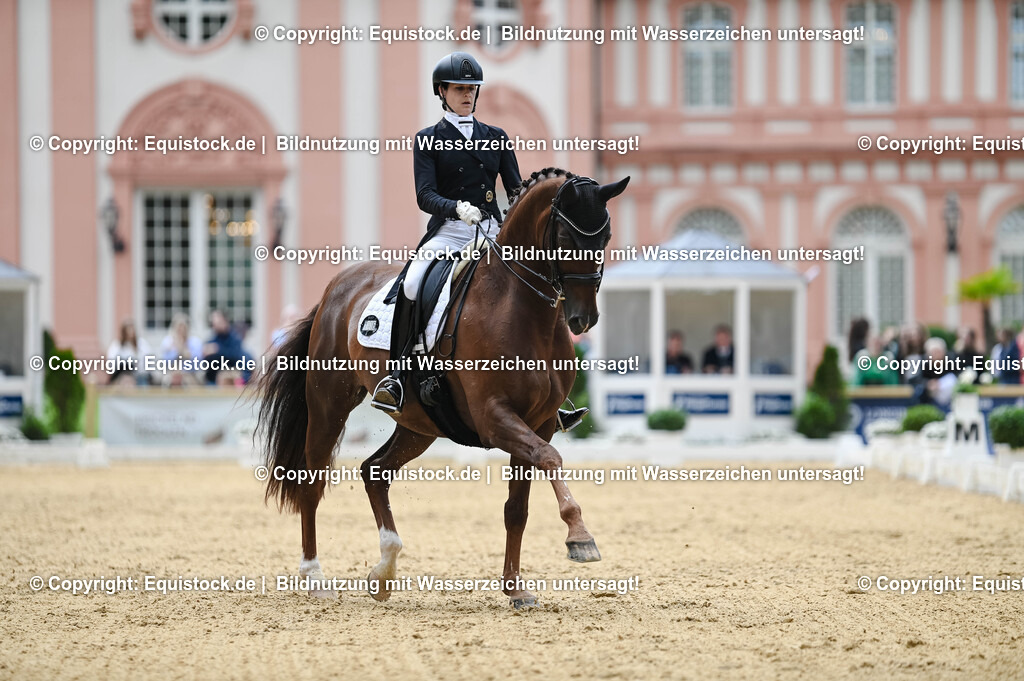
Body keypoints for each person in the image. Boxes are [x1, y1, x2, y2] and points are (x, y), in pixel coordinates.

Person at [202, 309, 249, 385]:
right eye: (214, 323)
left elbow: (235, 356)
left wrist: (217, 350)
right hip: (213, 379)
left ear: (225, 321)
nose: (215, 325)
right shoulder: (211, 341)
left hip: (231, 375)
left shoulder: (235, 339)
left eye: (218, 322)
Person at [159, 313, 203, 386]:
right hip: (171, 374)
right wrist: (178, 352)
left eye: (183, 327)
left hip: (190, 374)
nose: (181, 330)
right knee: (166, 381)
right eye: (179, 327)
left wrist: (181, 349)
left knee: (190, 382)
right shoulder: (167, 341)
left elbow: (197, 362)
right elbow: (165, 362)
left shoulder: (195, 342)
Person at [106, 319, 151, 385]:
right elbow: (111, 361)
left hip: (138, 376)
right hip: (121, 376)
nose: (130, 333)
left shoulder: (141, 344)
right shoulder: (117, 345)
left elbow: (147, 359)